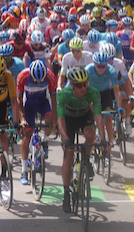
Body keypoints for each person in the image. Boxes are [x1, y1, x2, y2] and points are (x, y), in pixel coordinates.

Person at [57, 67, 100, 213]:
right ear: (72, 85)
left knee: (90, 134)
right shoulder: (64, 94)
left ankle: (86, 160)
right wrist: (65, 138)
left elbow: (98, 116)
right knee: (68, 157)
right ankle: (66, 194)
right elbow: (60, 120)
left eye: (85, 84)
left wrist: (104, 137)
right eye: (79, 85)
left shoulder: (93, 92)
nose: (83, 88)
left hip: (84, 117)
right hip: (68, 120)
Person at [16, 61, 57, 185]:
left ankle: (44, 140)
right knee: (26, 136)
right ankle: (24, 170)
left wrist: (55, 120)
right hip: (28, 105)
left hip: (43, 103)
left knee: (50, 122)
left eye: (41, 81)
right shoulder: (23, 76)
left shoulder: (50, 76)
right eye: (36, 81)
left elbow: (54, 100)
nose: (38, 83)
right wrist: (22, 119)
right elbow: (18, 101)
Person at [85, 51, 126, 156]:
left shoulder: (111, 71)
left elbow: (116, 91)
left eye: (104, 66)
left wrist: (120, 107)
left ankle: (109, 144)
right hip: (92, 94)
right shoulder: (88, 70)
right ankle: (95, 139)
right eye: (98, 66)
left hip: (105, 94)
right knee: (95, 116)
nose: (101, 69)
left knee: (108, 119)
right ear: (94, 63)